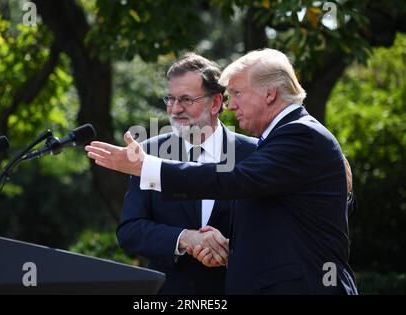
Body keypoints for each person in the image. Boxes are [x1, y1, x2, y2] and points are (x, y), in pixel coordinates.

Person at [85, 48, 358, 295]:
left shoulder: (292, 138)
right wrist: (197, 242)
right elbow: (272, 226)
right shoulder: (151, 150)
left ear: (269, 93)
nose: (231, 104)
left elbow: (230, 179)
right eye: (170, 98)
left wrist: (148, 167)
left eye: (237, 94)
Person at [115, 53, 257, 294]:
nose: (175, 109)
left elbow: (272, 231)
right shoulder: (150, 152)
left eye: (186, 100)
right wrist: (184, 239)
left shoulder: (253, 153)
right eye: (170, 99)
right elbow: (130, 231)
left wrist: (229, 251)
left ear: (215, 103)